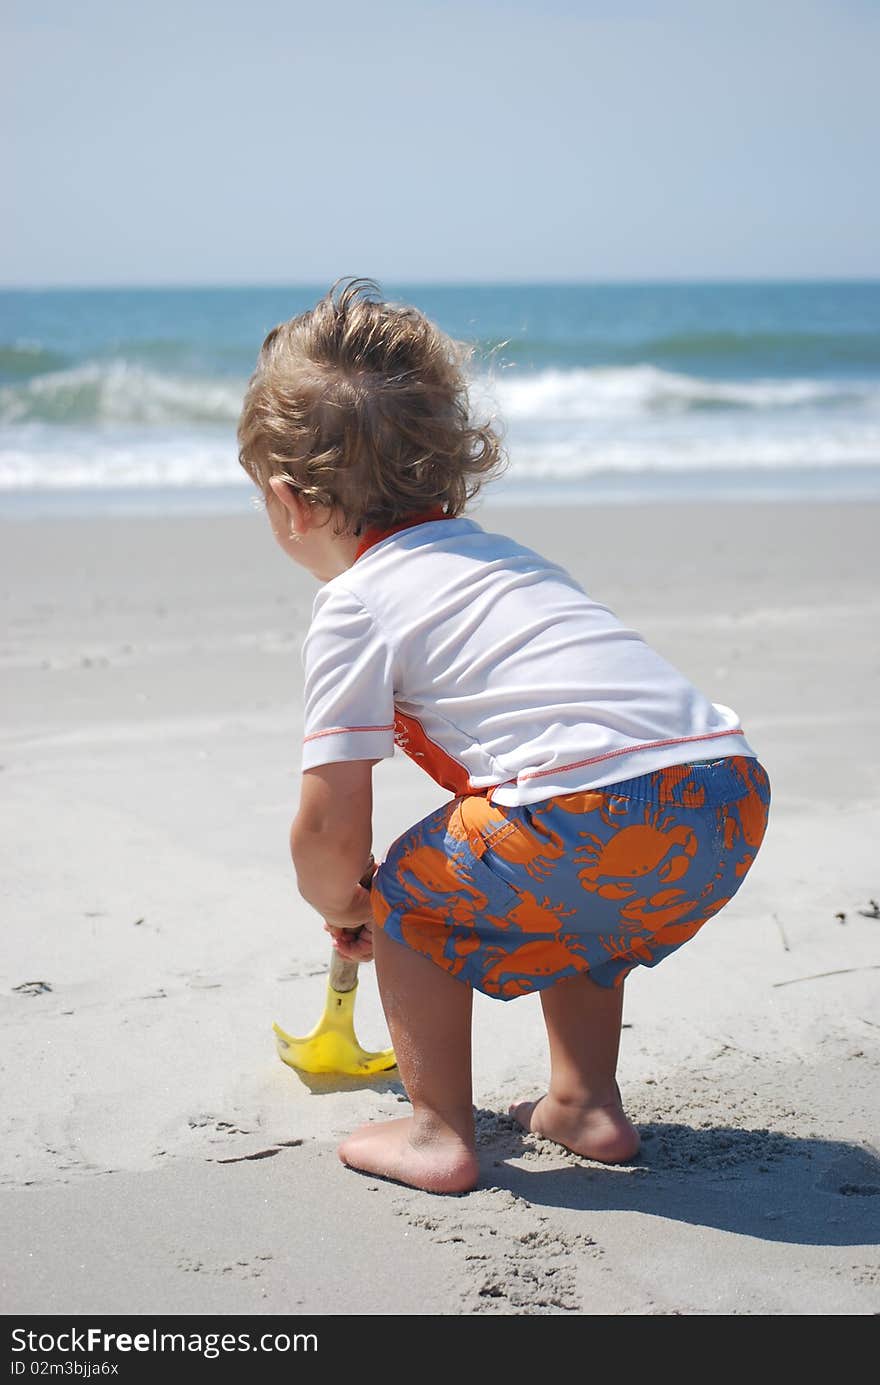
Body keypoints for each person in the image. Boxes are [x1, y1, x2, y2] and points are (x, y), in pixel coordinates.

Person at [237, 278, 771, 1195]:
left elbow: (327, 830)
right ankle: (584, 1101)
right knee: (585, 902)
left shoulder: (354, 601)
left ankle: (435, 1133)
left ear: (289, 501)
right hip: (724, 793)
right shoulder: (506, 558)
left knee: (415, 887)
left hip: (589, 805)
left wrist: (358, 904)